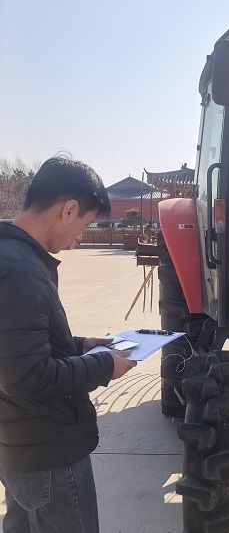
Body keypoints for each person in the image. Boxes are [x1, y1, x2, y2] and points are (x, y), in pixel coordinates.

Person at [0, 157, 137, 532]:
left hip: (21, 443)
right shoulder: (19, 270)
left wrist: (83, 345)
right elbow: (29, 376)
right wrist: (105, 365)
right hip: (47, 453)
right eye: (85, 224)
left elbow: (19, 348)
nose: (79, 237)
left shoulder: (13, 256)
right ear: (69, 209)